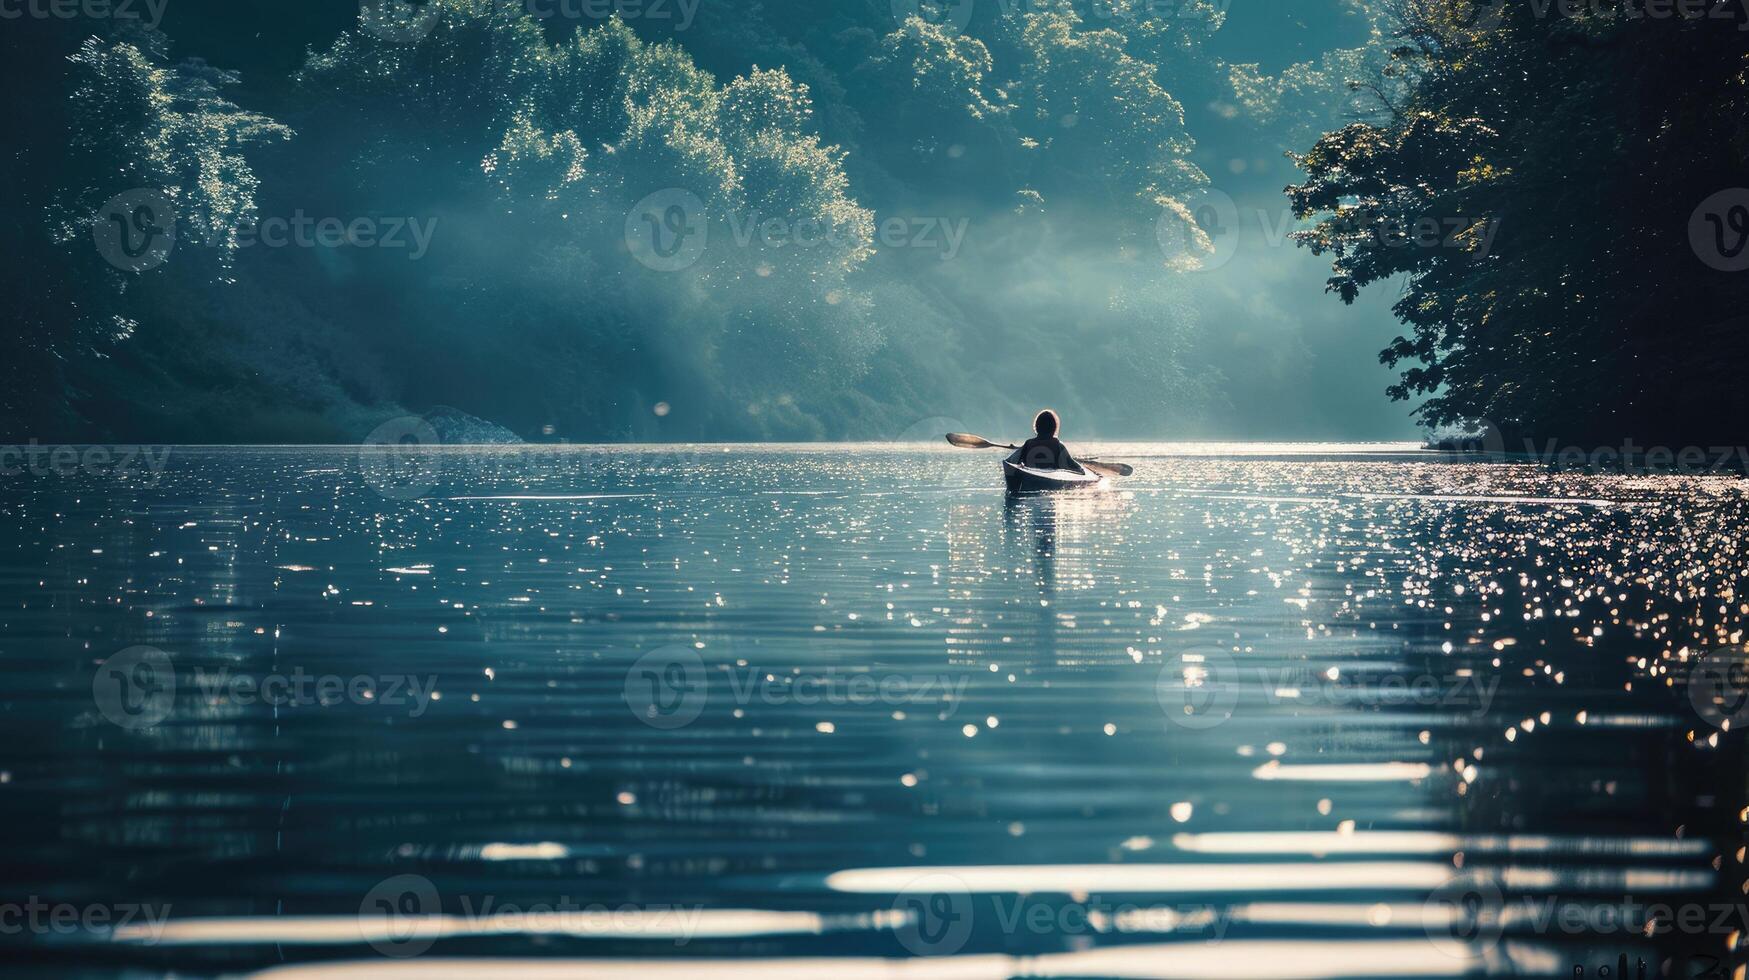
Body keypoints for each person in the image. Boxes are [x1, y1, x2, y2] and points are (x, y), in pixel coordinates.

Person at [1011, 409, 1084, 473]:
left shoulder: (1028, 444)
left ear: (1037, 427)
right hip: (1050, 480)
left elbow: (1011, 461)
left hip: (1030, 476)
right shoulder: (1058, 445)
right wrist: (1082, 469)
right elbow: (1074, 466)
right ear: (1054, 428)